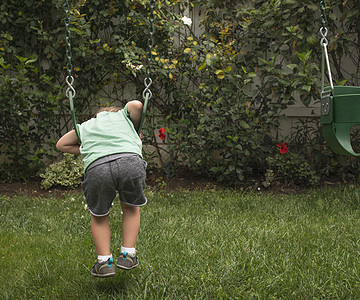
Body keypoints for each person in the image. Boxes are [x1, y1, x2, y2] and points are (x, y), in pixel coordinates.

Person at [56, 100, 147, 278]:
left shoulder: (87, 126)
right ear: (117, 113)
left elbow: (61, 145)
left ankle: (104, 262)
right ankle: (128, 254)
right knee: (130, 208)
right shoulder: (123, 117)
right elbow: (136, 105)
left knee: (99, 216)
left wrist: (91, 148)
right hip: (130, 161)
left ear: (97, 116)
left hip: (98, 168)